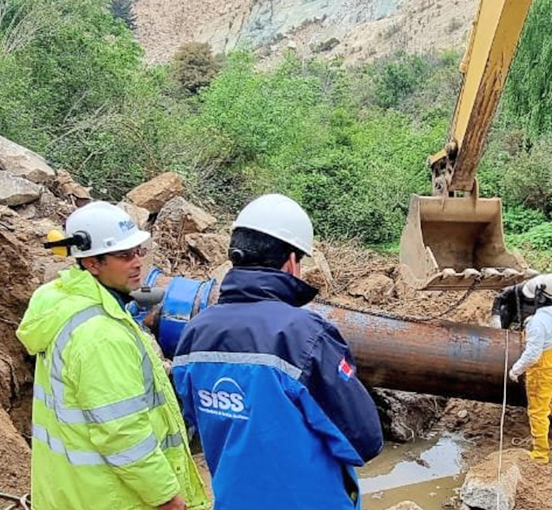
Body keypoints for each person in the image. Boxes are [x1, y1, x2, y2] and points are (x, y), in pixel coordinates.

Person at [172, 193, 384, 510]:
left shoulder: (194, 334)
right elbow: (364, 440)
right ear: (292, 261)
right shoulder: (305, 335)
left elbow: (196, 424)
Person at [16, 201, 209, 510]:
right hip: (114, 499)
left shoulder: (62, 302)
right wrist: (166, 498)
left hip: (76, 493)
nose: (136, 263)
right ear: (92, 263)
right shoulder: (100, 335)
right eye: (124, 255)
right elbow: (122, 433)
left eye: (138, 252)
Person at [507, 274, 552, 464]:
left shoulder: (537, 322)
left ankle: (540, 453)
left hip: (543, 372)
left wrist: (516, 370)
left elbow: (533, 354)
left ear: (540, 297)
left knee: (538, 412)